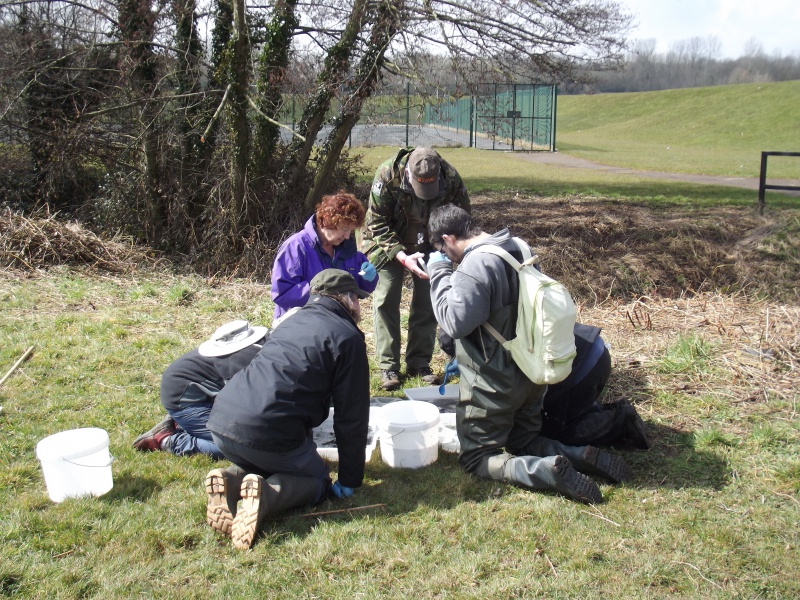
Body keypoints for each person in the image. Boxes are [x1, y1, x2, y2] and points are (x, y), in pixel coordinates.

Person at [426, 205, 631, 504]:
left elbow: (454, 322)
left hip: (493, 383)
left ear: (448, 239)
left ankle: (544, 471)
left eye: (444, 250)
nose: (448, 257)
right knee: (524, 440)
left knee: (479, 457)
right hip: (532, 372)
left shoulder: (475, 265)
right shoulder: (518, 246)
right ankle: (581, 455)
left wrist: (439, 272)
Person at [205, 269, 371, 549]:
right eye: (358, 299)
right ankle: (267, 495)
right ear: (348, 299)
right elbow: (351, 416)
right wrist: (350, 478)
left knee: (261, 458)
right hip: (268, 431)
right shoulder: (347, 337)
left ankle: (230, 478)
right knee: (317, 481)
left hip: (222, 423)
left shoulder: (289, 321)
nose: (359, 306)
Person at [438, 324, 651, 450]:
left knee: (550, 434)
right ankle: (590, 410)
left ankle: (619, 421)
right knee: (553, 410)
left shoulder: (491, 349)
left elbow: (508, 397)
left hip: (581, 367)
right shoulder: (494, 316)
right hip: (591, 348)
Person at [362, 147, 470, 391]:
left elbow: (461, 219)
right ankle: (388, 365)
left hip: (431, 244)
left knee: (429, 299)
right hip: (387, 241)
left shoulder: (450, 177)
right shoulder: (387, 175)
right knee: (386, 296)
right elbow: (376, 223)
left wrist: (447, 252)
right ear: (408, 174)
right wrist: (402, 257)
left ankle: (419, 364)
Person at [132, 320, 270, 459]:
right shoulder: (242, 360)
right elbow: (248, 407)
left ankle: (182, 423)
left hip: (201, 394)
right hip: (184, 401)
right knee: (243, 446)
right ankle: (168, 440)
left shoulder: (267, 346)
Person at [271, 190, 378, 321]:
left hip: (336, 322)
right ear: (327, 221)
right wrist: (325, 292)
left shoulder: (348, 249)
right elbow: (282, 294)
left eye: (351, 231)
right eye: (344, 229)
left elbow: (359, 288)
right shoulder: (296, 247)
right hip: (299, 323)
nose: (347, 236)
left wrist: (369, 278)